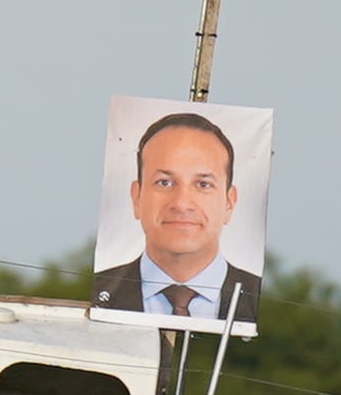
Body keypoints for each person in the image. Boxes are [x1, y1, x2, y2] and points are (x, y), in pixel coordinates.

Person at [91, 111, 261, 326]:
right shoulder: (96, 292)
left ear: (229, 202)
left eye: (203, 184)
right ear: (137, 197)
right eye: (164, 182)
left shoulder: (264, 300)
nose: (181, 203)